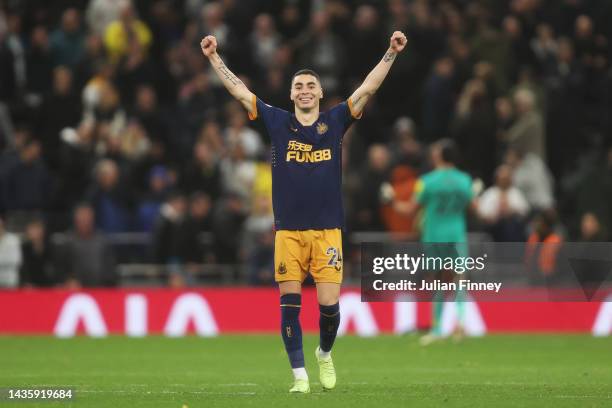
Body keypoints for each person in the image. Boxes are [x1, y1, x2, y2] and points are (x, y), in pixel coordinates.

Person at [200, 30, 407, 392]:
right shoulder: (277, 122)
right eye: (299, 86)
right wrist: (214, 57)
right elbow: (238, 90)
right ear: (292, 93)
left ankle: (324, 353)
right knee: (290, 306)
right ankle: (299, 376)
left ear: (321, 92)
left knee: (329, 309)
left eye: (311, 84)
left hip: (327, 231)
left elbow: (368, 88)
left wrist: (390, 51)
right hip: (288, 233)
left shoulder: (336, 121)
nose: (305, 89)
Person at [393, 139, 474, 345]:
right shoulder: (465, 180)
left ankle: (437, 328)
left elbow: (410, 209)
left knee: (438, 282)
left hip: (435, 236)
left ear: (438, 156)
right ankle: (461, 324)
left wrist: (390, 201)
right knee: (459, 280)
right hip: (457, 234)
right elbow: (475, 207)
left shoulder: (427, 181)